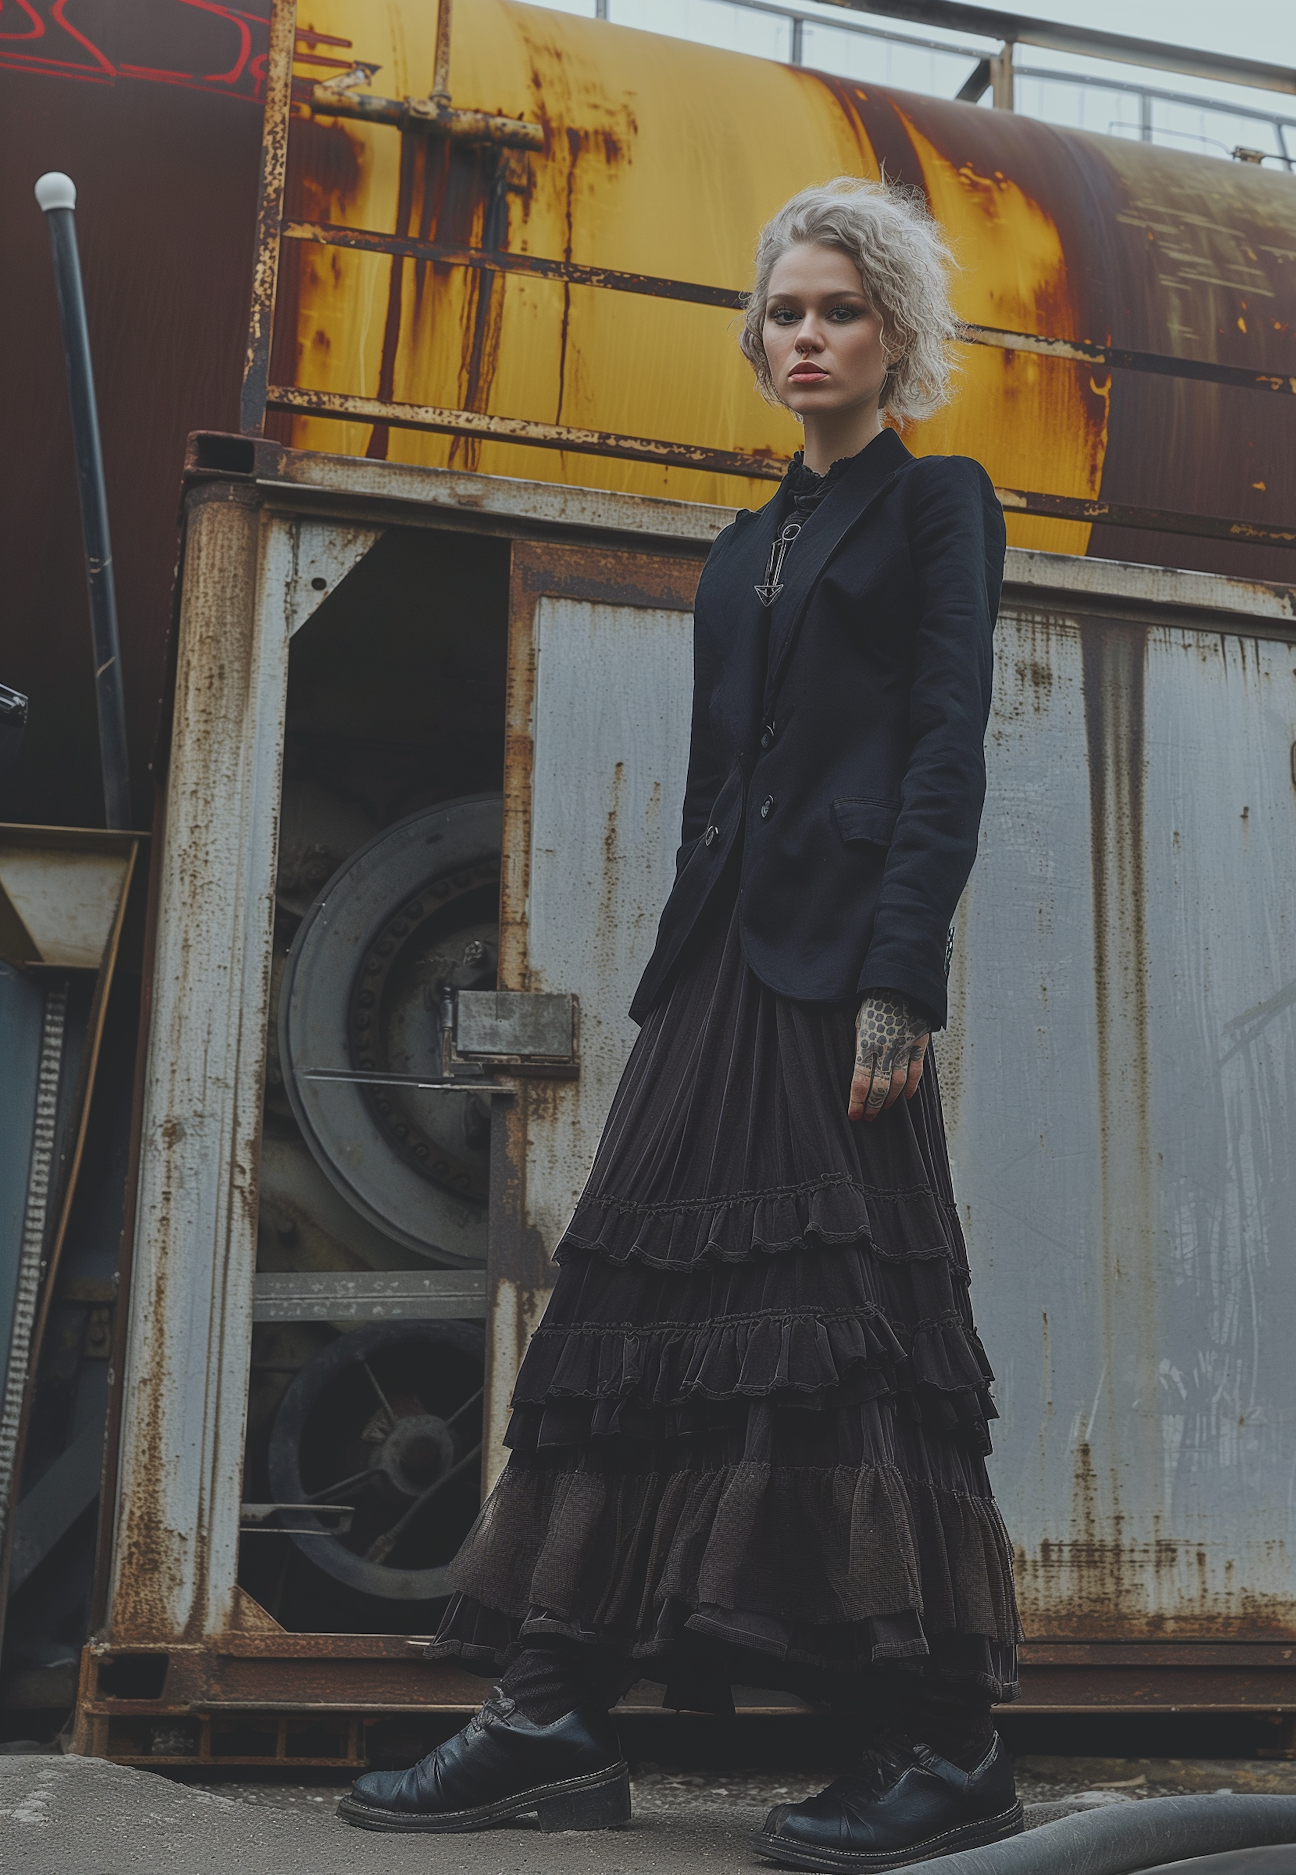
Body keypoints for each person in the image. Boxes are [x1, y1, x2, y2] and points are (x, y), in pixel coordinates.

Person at [338, 177, 1018, 1873]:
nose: (805, 337)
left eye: (838, 310)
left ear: (896, 334)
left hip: (841, 967)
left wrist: (901, 972)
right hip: (715, 962)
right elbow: (731, 775)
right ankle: (555, 1713)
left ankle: (940, 1741)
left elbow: (944, 752)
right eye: (784, 312)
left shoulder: (939, 506)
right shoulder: (744, 540)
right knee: (630, 1320)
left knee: (844, 1317)